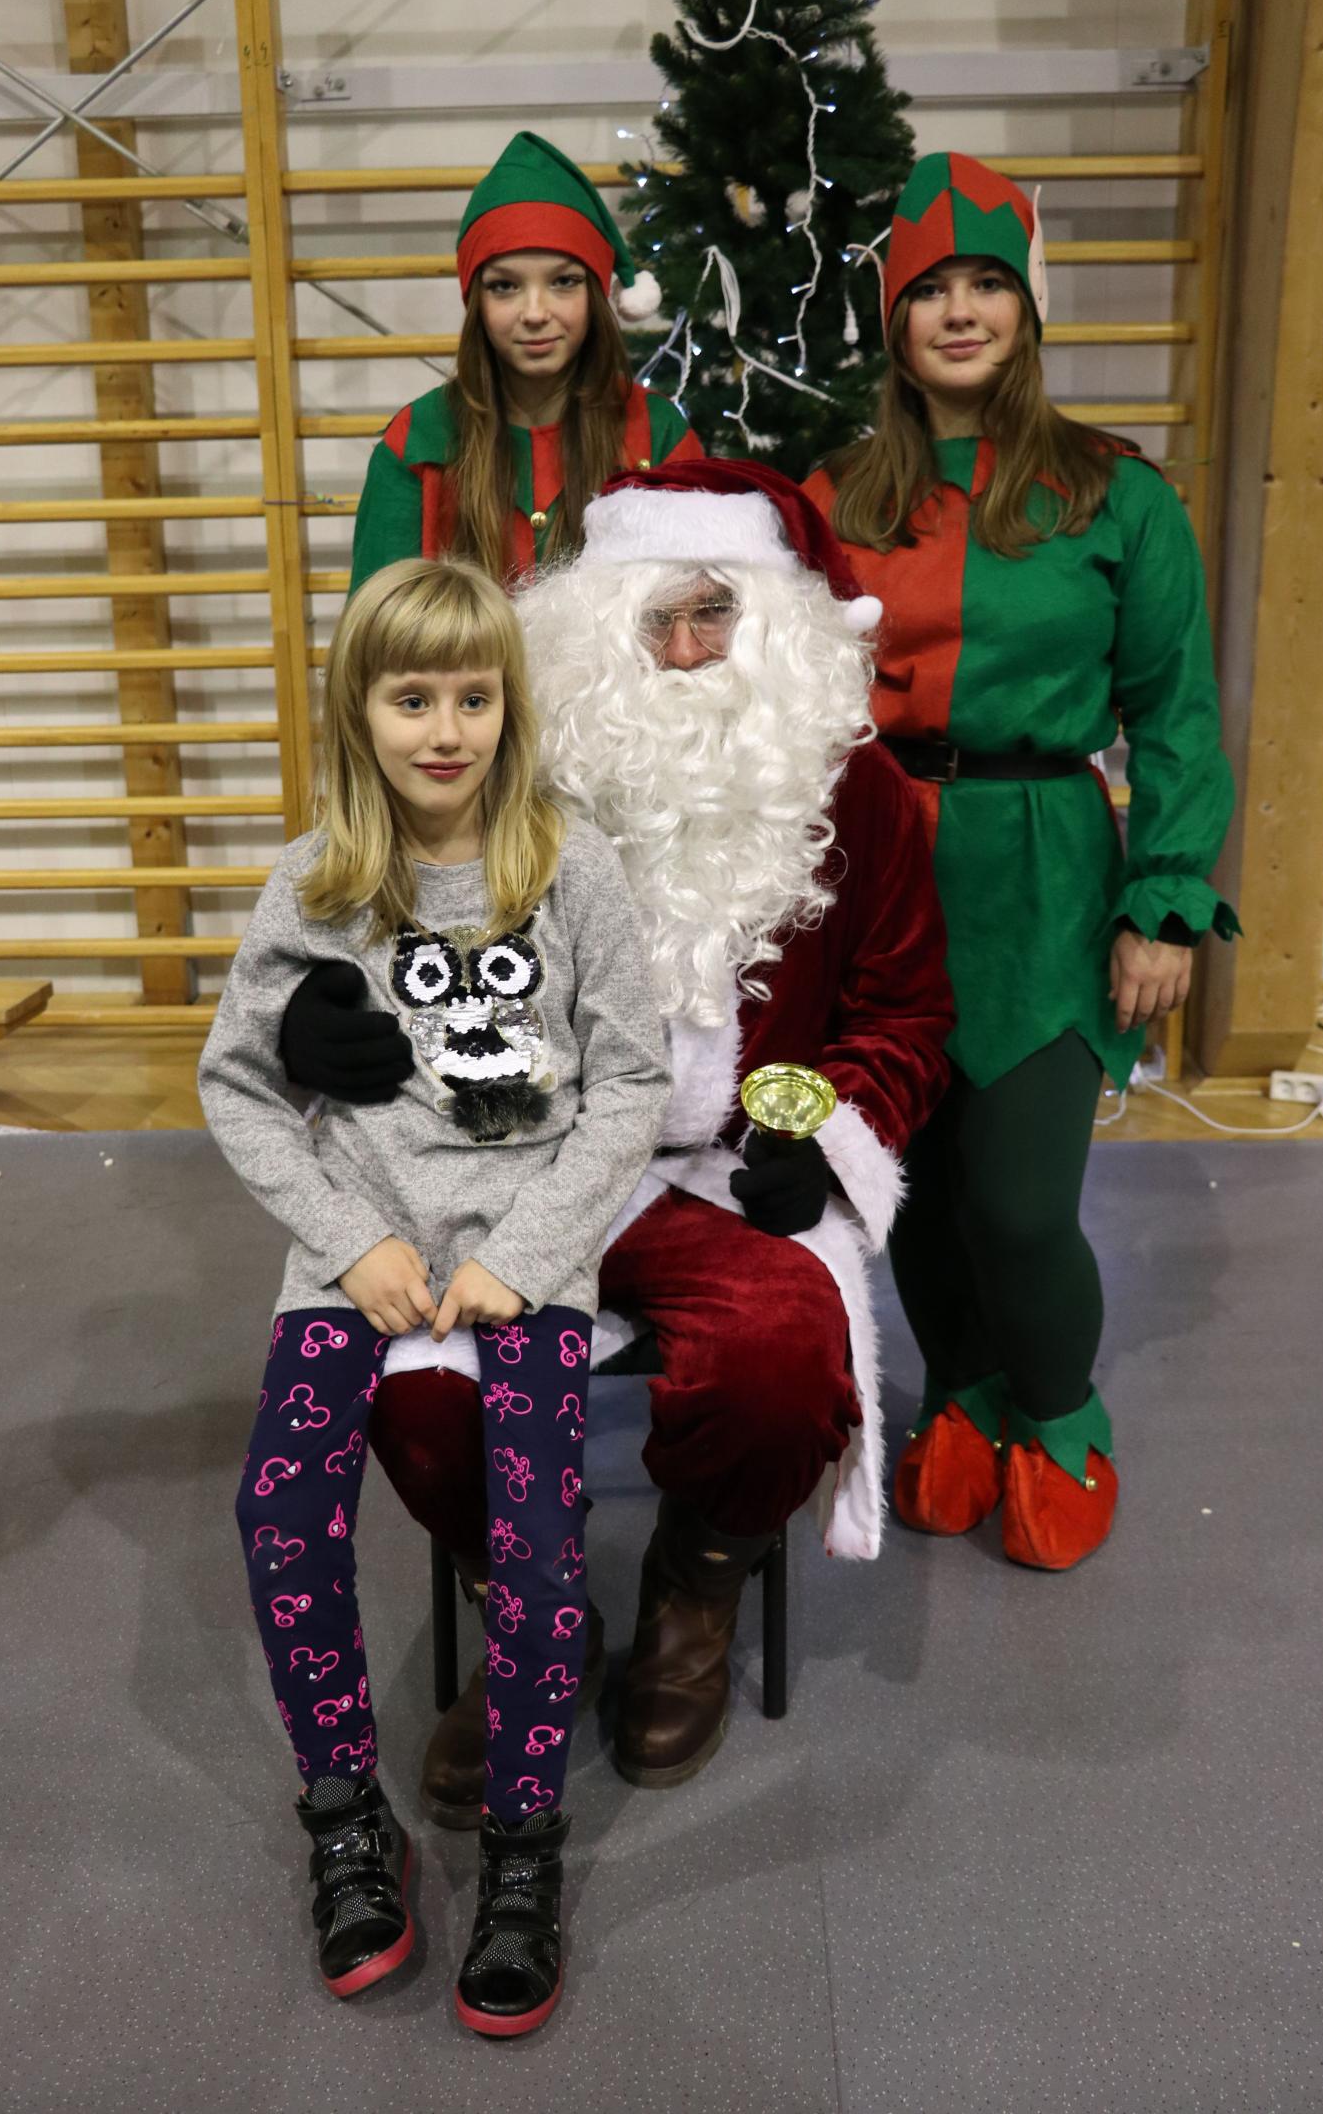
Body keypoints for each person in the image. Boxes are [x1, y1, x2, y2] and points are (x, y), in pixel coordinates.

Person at [279, 460, 953, 1818]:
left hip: (723, 1179)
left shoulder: (860, 793)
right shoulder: (509, 781)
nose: (688, 651)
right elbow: (379, 940)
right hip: (510, 1159)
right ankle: (531, 1604)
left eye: (716, 614)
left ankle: (694, 1590)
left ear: (776, 626)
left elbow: (903, 1012)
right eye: (658, 620)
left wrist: (822, 1134)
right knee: (415, 1387)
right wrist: (318, 1025)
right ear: (602, 631)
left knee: (777, 1359)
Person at [198, 558, 669, 2033]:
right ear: (362, 710)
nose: (445, 729)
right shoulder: (314, 883)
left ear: (508, 707)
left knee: (536, 1551)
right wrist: (351, 1242)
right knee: (279, 1515)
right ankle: (348, 1820)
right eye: (412, 698)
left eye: (473, 696)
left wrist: (522, 1257)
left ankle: (522, 1849)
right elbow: (238, 1088)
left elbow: (630, 1084)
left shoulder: (570, 868)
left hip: (523, 1258)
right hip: (359, 1261)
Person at [802, 150, 1239, 1571]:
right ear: (892, 318)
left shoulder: (1116, 494)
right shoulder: (832, 497)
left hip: (1044, 871)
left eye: (988, 283)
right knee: (913, 1193)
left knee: (1019, 1201)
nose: (961, 311)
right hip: (878, 872)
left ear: (1027, 309)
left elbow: (1173, 713)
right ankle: (968, 1395)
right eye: (930, 288)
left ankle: (1057, 1412)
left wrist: (1163, 898)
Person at [348, 130, 702, 593]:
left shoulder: (657, 432)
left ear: (597, 294)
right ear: (476, 301)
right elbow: (378, 626)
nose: (535, 313)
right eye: (505, 286)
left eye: (564, 282)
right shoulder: (417, 441)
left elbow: (693, 611)